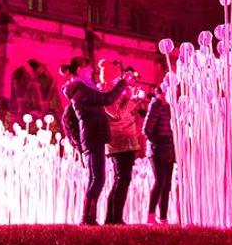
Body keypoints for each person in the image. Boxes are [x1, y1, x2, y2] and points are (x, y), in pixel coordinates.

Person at [59, 55, 127, 225]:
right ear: (80, 69)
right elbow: (106, 99)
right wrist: (122, 84)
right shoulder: (80, 90)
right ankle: (87, 217)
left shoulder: (82, 88)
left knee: (95, 178)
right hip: (92, 136)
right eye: (88, 67)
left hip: (93, 135)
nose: (91, 71)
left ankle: (89, 217)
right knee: (98, 178)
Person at [101, 60, 145, 225]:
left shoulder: (114, 90)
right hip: (119, 140)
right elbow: (116, 114)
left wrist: (131, 98)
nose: (121, 75)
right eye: (118, 71)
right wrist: (132, 100)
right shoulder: (106, 90)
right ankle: (115, 218)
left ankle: (112, 217)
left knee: (121, 179)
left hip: (126, 139)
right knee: (122, 179)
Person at [143, 77, 176, 224]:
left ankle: (163, 217)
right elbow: (147, 128)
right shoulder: (156, 104)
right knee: (160, 180)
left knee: (167, 183)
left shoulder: (170, 106)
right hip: (157, 148)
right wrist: (156, 142)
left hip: (169, 148)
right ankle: (151, 215)